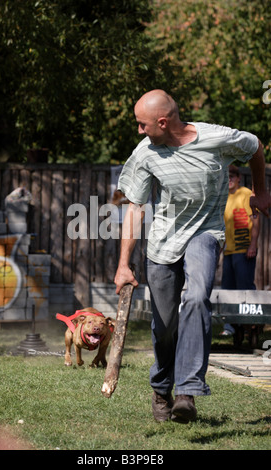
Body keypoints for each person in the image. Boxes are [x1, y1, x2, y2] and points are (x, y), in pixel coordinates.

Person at [114, 89, 271, 424]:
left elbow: (255, 146)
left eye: (143, 125)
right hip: (162, 244)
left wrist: (260, 192)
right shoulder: (146, 153)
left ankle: (187, 390)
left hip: (205, 233)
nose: (139, 131)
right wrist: (123, 264)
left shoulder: (217, 139)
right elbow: (135, 209)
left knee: (198, 297)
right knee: (165, 325)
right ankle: (161, 389)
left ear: (163, 121)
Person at [221, 164, 260, 341]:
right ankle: (230, 326)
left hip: (244, 250)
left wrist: (253, 244)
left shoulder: (245, 194)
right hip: (228, 251)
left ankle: (250, 325)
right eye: (226, 176)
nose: (229, 179)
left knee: (244, 288)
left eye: (232, 176)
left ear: (238, 178)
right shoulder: (223, 198)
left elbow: (255, 219)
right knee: (227, 290)